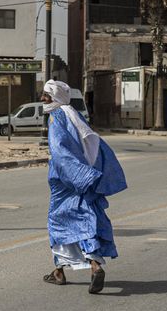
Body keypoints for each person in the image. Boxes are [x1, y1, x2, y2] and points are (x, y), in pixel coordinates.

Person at [41, 80, 127, 294]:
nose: (43, 99)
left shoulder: (56, 117)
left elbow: (60, 151)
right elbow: (95, 145)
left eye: (46, 95)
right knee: (86, 219)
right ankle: (93, 265)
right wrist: (89, 174)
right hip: (83, 176)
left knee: (58, 221)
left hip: (67, 178)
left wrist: (78, 175)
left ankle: (60, 271)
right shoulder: (75, 114)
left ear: (55, 97)